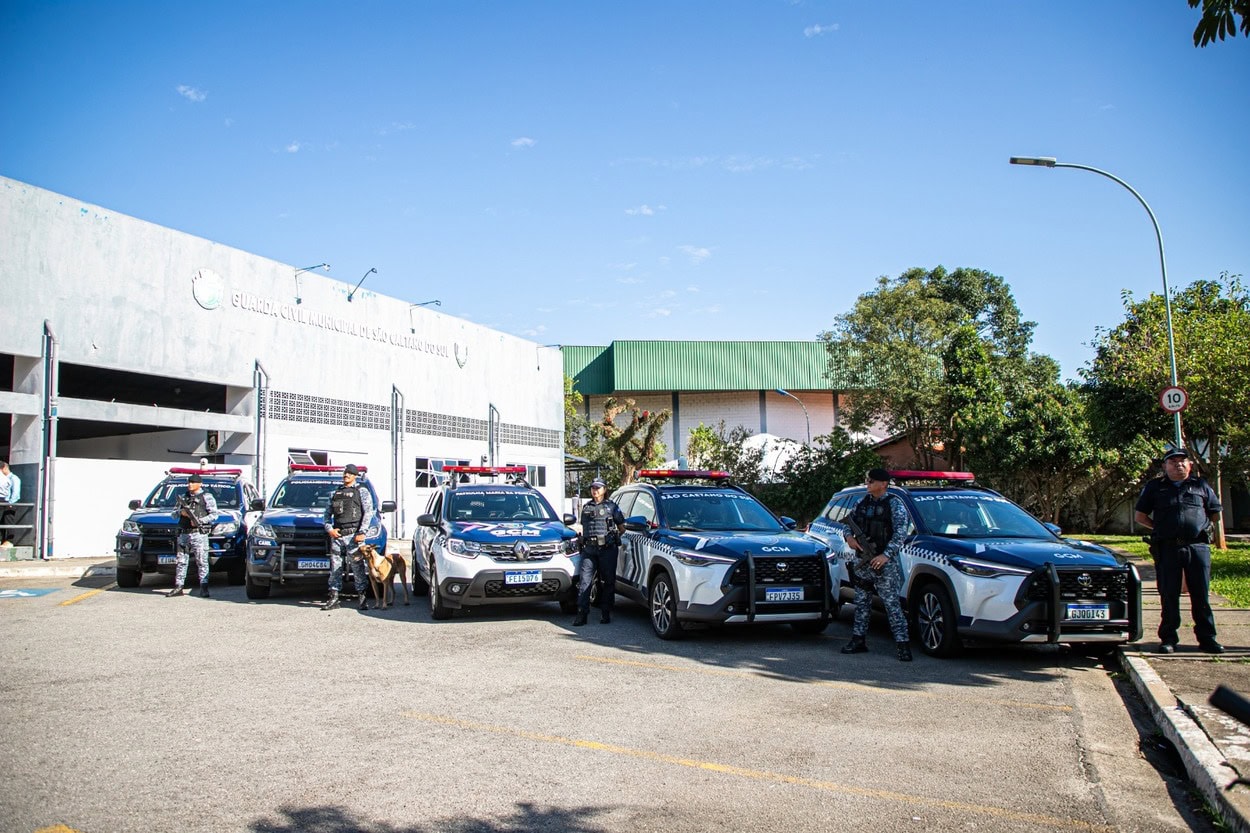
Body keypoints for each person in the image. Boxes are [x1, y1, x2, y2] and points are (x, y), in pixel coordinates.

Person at [1135, 448, 1224, 654]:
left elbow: (1215, 513)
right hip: (1168, 547)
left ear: (1189, 465)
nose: (1178, 465)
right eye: (1173, 461)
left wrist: (1202, 528)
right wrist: (1159, 528)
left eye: (1182, 461)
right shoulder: (1155, 487)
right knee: (1169, 594)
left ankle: (1207, 638)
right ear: (1165, 466)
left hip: (1197, 546)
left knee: (1201, 594)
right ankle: (1168, 639)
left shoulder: (1200, 485)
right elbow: (1140, 516)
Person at [841, 468, 913, 662]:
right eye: (867, 480)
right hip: (863, 560)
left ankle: (903, 644)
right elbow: (847, 524)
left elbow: (901, 534)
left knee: (891, 604)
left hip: (884, 563)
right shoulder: (861, 503)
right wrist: (849, 537)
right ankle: (858, 640)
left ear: (883, 484)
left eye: (872, 481)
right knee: (862, 602)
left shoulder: (894, 505)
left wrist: (885, 555)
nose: (868, 484)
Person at [322, 463, 374, 612]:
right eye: (345, 473)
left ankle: (362, 598)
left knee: (357, 567)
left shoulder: (361, 491)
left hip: (354, 536)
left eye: (350, 474)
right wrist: (330, 529)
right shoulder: (335, 493)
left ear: (355, 476)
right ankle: (334, 597)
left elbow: (368, 512)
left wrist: (362, 531)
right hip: (338, 536)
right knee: (336, 567)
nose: (346, 476)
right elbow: (326, 515)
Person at [574, 477, 625, 626]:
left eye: (598, 487)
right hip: (589, 550)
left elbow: (622, 528)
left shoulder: (612, 507)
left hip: (607, 549)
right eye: (593, 488)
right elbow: (582, 527)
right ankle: (582, 614)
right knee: (584, 582)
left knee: (607, 582)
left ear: (604, 489)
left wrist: (612, 538)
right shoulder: (586, 507)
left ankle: (606, 612)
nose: (595, 490)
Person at [167, 473, 217, 598]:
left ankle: (204, 587)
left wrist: (200, 520)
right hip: (184, 533)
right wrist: (181, 512)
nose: (190, 485)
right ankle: (179, 586)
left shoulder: (206, 497)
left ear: (199, 484)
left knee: (202, 561)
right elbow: (173, 514)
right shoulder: (183, 497)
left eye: (193, 482)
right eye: (189, 482)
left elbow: (214, 515)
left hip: (198, 533)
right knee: (181, 561)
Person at [0, 461, 20, 547]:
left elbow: (16, 493)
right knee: (2, 521)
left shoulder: (14, 478)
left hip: (9, 503)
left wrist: (10, 503)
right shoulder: (4, 478)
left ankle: (9, 541)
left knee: (8, 521)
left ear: (5, 468)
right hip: (4, 502)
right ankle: (3, 540)